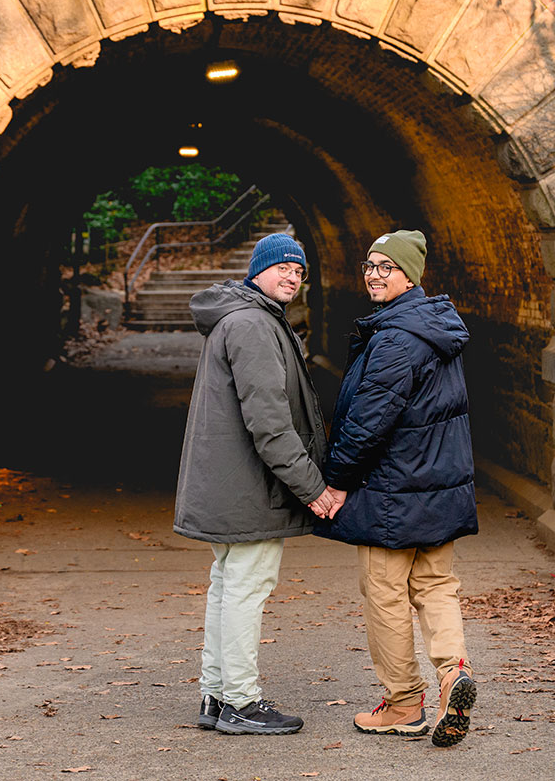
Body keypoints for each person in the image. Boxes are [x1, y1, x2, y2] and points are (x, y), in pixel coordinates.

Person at [173, 232, 345, 736]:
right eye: (282, 267)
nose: (292, 276)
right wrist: (313, 489)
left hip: (232, 483)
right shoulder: (252, 324)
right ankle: (241, 703)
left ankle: (216, 695)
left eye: (300, 271)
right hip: (249, 486)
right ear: (257, 271)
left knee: (228, 586)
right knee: (245, 590)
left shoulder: (243, 317)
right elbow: (269, 424)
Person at [317, 229, 479, 748]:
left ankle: (405, 703)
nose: (374, 274)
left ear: (410, 276)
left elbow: (369, 420)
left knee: (384, 594)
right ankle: (453, 673)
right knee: (436, 584)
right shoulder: (434, 326)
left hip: (390, 489)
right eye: (369, 265)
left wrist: (337, 481)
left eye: (386, 267)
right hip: (439, 485)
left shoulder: (395, 338)